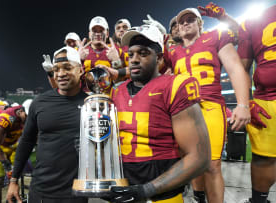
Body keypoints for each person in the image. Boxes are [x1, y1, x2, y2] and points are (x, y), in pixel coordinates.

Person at [103, 24, 210, 203]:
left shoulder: (175, 86)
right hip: (123, 192)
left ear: (159, 58)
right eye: (131, 54)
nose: (134, 60)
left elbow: (200, 157)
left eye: (143, 53)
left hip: (162, 195)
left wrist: (146, 190)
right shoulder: (116, 91)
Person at [168, 8, 251, 203]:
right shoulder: (172, 51)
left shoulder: (216, 37)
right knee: (192, 161)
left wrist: (243, 104)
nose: (185, 23)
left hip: (210, 106)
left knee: (212, 164)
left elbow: (235, 67)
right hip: (183, 112)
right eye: (181, 22)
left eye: (190, 19)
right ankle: (198, 198)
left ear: (200, 23)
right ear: (177, 29)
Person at [6, 46, 88, 203]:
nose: (61, 73)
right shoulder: (40, 102)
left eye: (67, 67)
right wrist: (14, 180)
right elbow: (26, 141)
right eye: (56, 69)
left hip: (76, 193)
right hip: (41, 190)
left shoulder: (91, 103)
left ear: (81, 70)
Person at [237, 5, 276, 203]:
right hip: (267, 99)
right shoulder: (253, 20)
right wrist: (246, 102)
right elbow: (241, 68)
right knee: (264, 158)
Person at [0, 104, 27, 203]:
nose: (28, 118)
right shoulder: (6, 119)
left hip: (14, 146)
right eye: (26, 115)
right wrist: (5, 162)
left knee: (14, 177)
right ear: (20, 112)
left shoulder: (26, 117)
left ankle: (11, 199)